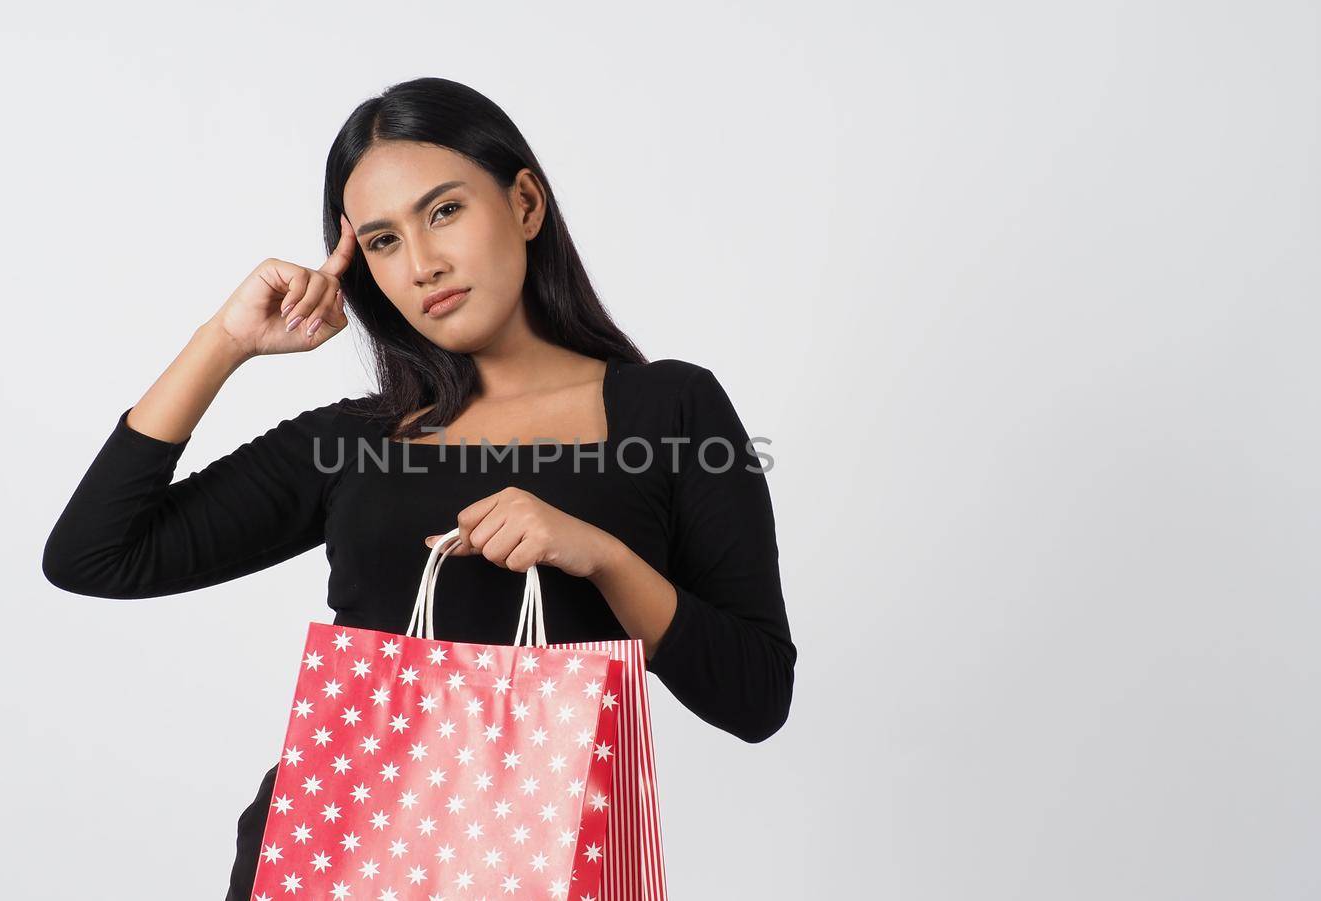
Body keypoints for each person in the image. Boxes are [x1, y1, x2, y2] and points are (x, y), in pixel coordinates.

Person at [41, 76, 795, 901]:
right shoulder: (354, 439)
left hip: (533, 864)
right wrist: (225, 342)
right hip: (328, 856)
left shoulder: (670, 409)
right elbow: (94, 554)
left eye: (444, 212)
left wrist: (601, 555)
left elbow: (757, 694)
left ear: (526, 203)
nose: (423, 264)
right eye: (382, 241)